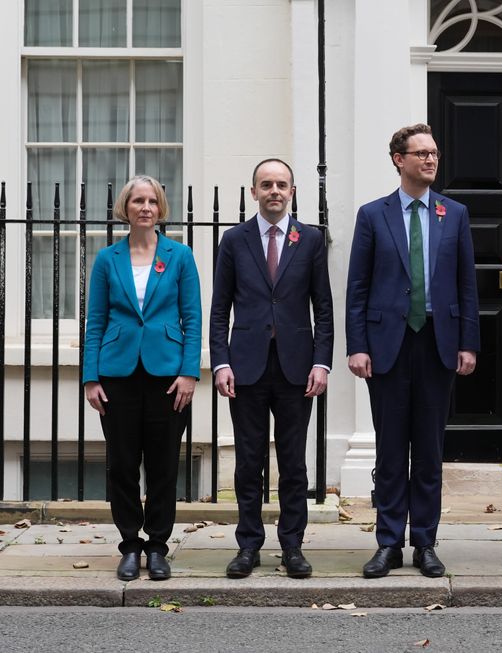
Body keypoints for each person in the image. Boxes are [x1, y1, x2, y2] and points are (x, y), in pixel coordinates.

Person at [348, 123, 480, 579]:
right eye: (420, 153)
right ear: (398, 160)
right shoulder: (372, 215)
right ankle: (388, 543)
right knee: (389, 450)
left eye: (434, 153)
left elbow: (467, 284)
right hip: (387, 346)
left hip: (438, 345)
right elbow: (358, 286)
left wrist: (468, 342)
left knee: (428, 449)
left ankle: (425, 541)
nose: (430, 160)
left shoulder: (454, 214)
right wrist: (357, 346)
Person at [210, 158, 334, 579]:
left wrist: (322, 362)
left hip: (297, 369)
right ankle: (248, 546)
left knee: (294, 462)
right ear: (254, 192)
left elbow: (325, 308)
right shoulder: (234, 240)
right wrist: (221, 362)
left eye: (282, 184)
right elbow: (218, 309)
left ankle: (293, 546)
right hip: (245, 367)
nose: (274, 191)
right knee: (248, 461)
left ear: (293, 191)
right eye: (266, 185)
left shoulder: (311, 240)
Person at [83, 175, 201, 581]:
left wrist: (189, 372)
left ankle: (158, 546)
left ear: (161, 209)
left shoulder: (180, 256)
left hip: (167, 375)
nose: (146, 207)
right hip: (116, 375)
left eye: (152, 201)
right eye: (138, 201)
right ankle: (130, 545)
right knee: (122, 464)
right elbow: (95, 320)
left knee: (164, 463)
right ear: (126, 208)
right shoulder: (107, 259)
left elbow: (193, 317)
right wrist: (90, 378)